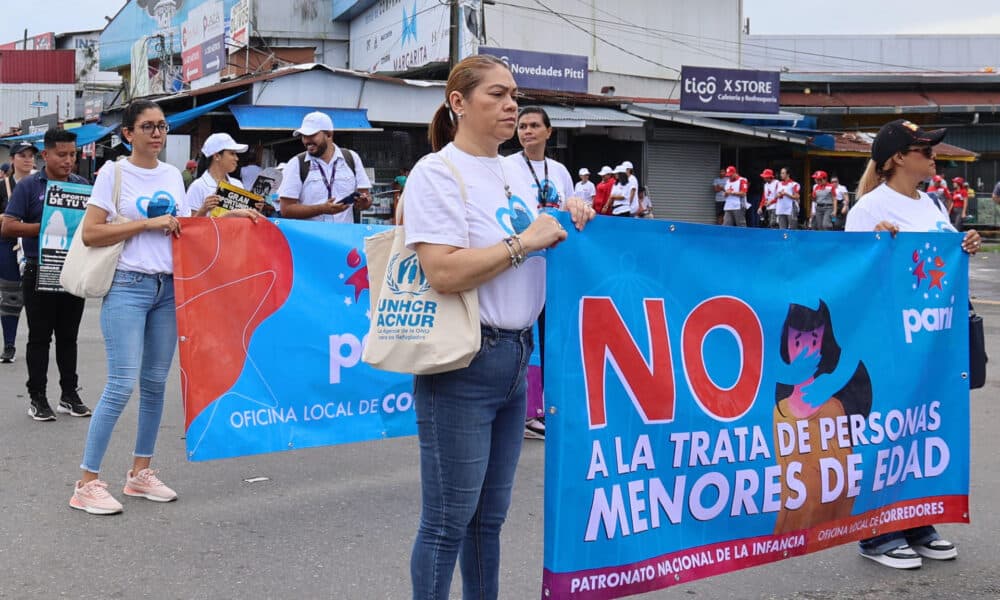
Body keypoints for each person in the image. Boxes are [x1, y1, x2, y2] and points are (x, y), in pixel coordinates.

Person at [402, 54, 594, 599]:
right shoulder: (437, 172)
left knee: (489, 520)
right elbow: (441, 271)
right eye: (496, 94)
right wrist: (523, 242)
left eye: (514, 94)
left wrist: (572, 214)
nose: (512, 104)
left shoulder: (520, 170)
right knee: (447, 522)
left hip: (517, 358)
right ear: (458, 103)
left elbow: (548, 233)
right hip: (463, 362)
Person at [68, 100, 260, 516]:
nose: (157, 133)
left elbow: (184, 229)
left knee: (155, 383)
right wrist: (146, 224)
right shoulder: (113, 173)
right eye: (148, 126)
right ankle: (86, 482)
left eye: (162, 126)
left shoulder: (174, 175)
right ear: (128, 134)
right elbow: (91, 233)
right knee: (121, 384)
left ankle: (140, 473)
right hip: (128, 285)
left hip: (168, 287)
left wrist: (229, 217)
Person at [846, 118, 981, 569]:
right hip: (888, 339)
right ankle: (875, 529)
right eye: (924, 149)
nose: (933, 155)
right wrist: (877, 248)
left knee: (924, 429)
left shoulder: (933, 203)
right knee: (885, 429)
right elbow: (852, 277)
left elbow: (941, 259)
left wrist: (967, 246)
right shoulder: (868, 208)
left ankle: (917, 517)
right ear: (898, 157)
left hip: (933, 341)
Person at [1, 131, 91, 421]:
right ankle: (37, 397)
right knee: (39, 338)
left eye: (73, 155)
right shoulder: (29, 186)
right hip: (39, 268)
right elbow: (8, 227)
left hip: (73, 268)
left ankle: (69, 394)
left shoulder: (82, 185)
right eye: (62, 155)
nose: (68, 161)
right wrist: (48, 225)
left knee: (69, 337)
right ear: (46, 156)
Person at [277, 111, 372, 223]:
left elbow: (366, 197)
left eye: (312, 135)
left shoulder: (351, 158)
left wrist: (364, 202)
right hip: (310, 238)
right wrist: (321, 209)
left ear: (329, 135)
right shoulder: (296, 163)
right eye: (304, 136)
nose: (307, 140)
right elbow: (286, 209)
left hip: (343, 237)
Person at [0, 142, 36, 363]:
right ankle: (9, 345)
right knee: (11, 297)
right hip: (8, 244)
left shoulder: (39, 185)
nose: (27, 159)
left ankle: (38, 343)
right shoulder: (2, 186)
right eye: (22, 155)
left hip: (33, 245)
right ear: (13, 159)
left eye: (31, 155)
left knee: (37, 298)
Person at [504, 106, 574, 210]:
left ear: (549, 131)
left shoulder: (560, 170)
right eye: (522, 127)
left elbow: (569, 208)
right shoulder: (506, 166)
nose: (527, 131)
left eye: (534, 125)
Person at [186, 133, 250, 216]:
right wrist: (203, 210)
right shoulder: (198, 187)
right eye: (232, 153)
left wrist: (254, 208)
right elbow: (190, 225)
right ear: (217, 156)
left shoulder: (237, 184)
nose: (237, 158)